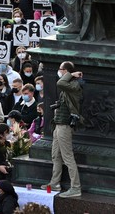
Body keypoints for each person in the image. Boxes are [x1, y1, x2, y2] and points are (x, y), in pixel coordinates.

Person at [41, 61, 83, 198]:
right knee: (55, 155)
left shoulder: (74, 85)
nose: (59, 72)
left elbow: (60, 83)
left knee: (68, 157)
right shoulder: (68, 86)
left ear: (66, 72)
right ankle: (55, 183)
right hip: (58, 124)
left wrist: (71, 74)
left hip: (65, 126)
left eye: (61, 70)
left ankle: (76, 187)